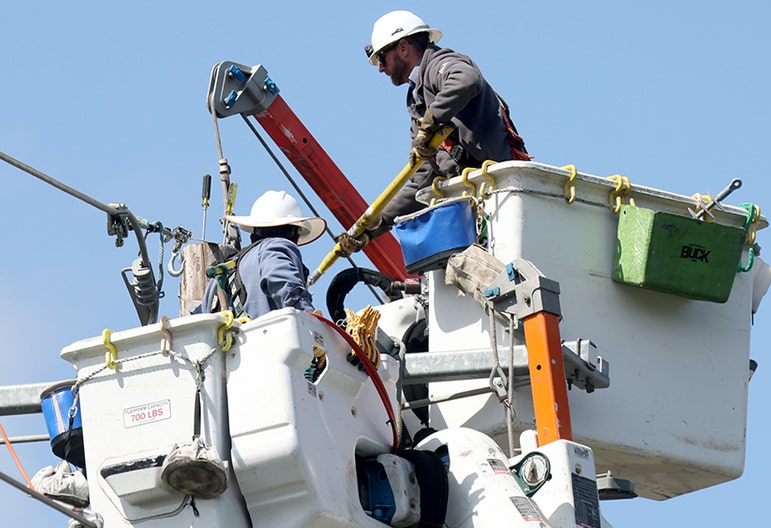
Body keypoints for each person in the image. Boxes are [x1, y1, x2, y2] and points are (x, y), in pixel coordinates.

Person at [365, 10, 531, 234]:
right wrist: (378, 222)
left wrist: (431, 122)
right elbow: (423, 177)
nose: (381, 68)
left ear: (403, 47)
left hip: (502, 189)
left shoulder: (439, 64)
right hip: (476, 198)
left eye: (382, 58)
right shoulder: (418, 102)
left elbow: (466, 79)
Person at [198, 189, 326, 319]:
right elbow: (288, 290)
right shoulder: (277, 247)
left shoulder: (221, 274)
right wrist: (312, 319)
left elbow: (198, 322)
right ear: (296, 238)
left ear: (253, 237)